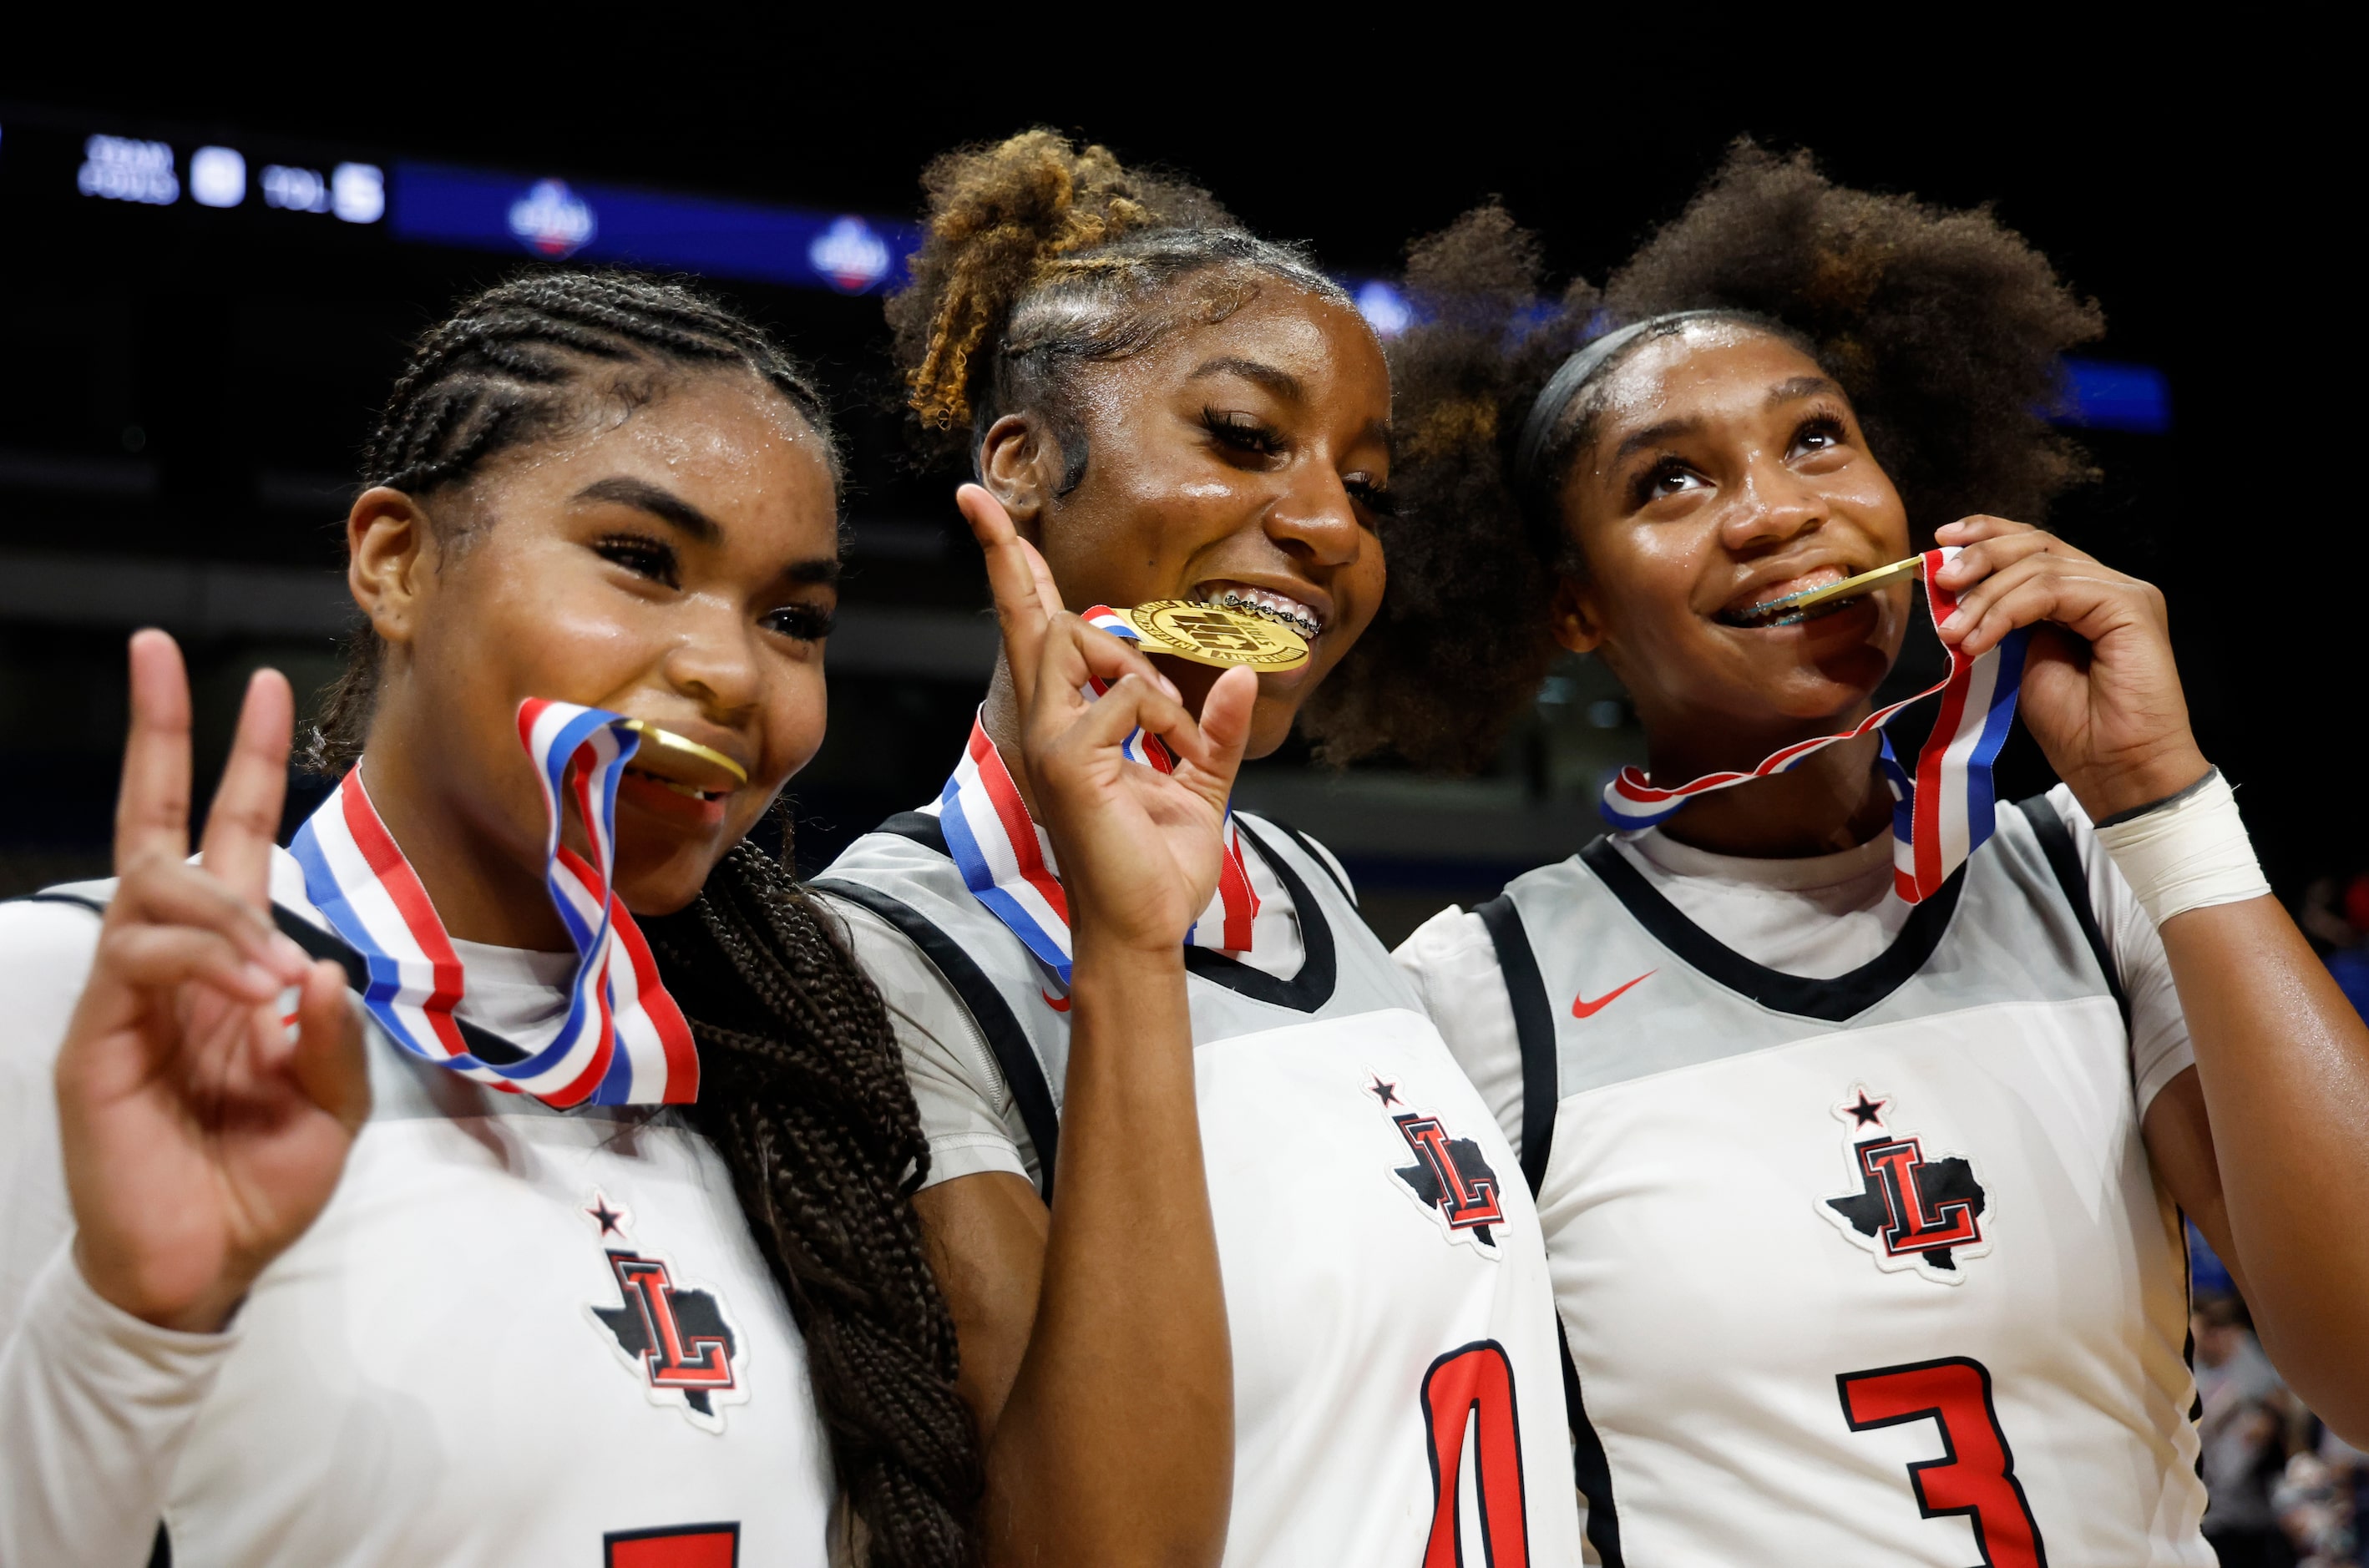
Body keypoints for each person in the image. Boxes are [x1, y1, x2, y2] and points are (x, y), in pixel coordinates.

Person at [1326, 144, 2369, 1565]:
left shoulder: (2089, 876)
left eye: (1813, 438)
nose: (1769, 509)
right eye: (1670, 481)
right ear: (1574, 610)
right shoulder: (1471, 996)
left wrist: (2160, 797)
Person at [0, 273, 979, 1566]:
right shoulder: (74, 1001)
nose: (731, 672)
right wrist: (130, 1329)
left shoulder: (779, 1062)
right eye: (639, 560)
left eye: (792, 619)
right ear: (396, 563)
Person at [812, 131, 1580, 1566]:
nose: (1326, 527)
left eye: (1369, 490)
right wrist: (1127, 949)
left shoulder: (1315, 890)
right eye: (1242, 437)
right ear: (1024, 465)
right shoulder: (875, 954)